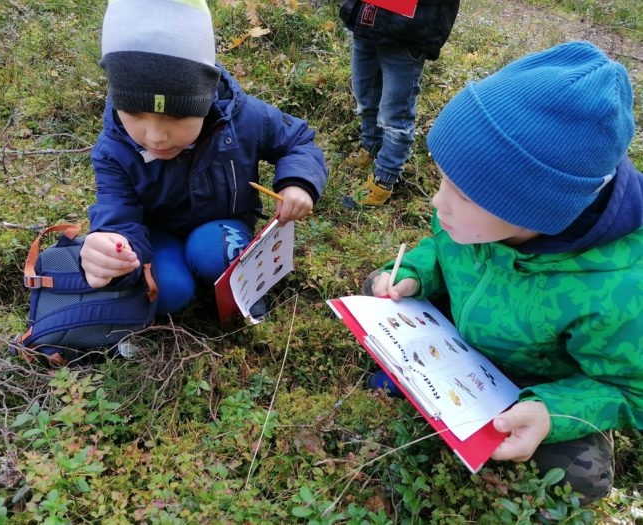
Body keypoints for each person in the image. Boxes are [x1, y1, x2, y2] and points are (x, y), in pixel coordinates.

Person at [366, 41, 643, 504]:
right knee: (379, 292)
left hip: (533, 386)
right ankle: (413, 379)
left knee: (581, 477)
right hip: (465, 339)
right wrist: (416, 272)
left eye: (465, 195)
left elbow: (630, 389)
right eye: (442, 180)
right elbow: (444, 249)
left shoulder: (620, 290)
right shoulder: (479, 219)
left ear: (537, 211)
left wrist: (551, 414)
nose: (438, 203)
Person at [79, 0, 328, 317]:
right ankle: (179, 284)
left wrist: (298, 184)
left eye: (177, 116)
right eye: (134, 113)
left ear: (206, 97)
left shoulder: (243, 118)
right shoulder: (114, 149)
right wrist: (112, 251)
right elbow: (118, 217)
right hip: (158, 235)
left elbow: (297, 140)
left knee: (213, 251)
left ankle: (245, 292)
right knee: (169, 291)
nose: (155, 136)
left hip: (223, 224)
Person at [339, 0, 460, 207]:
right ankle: (371, 147)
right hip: (367, 20)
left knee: (395, 116)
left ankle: (384, 180)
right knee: (365, 98)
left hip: (407, 31)